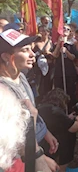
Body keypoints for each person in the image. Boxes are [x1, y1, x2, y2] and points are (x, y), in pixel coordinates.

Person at [0, 29, 59, 171]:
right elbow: (10, 136)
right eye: (25, 50)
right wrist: (40, 157)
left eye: (31, 49)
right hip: (18, 158)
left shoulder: (21, 77)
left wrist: (45, 132)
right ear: (7, 57)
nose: (32, 55)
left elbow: (33, 112)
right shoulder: (3, 93)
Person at [38, 88, 78, 172]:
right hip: (54, 144)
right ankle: (62, 168)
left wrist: (68, 118)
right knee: (68, 136)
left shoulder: (42, 107)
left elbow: (57, 123)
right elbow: (74, 128)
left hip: (42, 141)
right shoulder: (55, 111)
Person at [52, 24, 78, 112]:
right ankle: (60, 109)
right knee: (59, 91)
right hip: (59, 71)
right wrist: (59, 44)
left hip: (69, 72)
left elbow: (73, 57)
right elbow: (54, 55)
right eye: (64, 28)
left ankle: (71, 110)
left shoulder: (72, 44)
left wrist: (66, 51)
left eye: (68, 29)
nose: (65, 30)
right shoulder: (56, 44)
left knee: (70, 91)